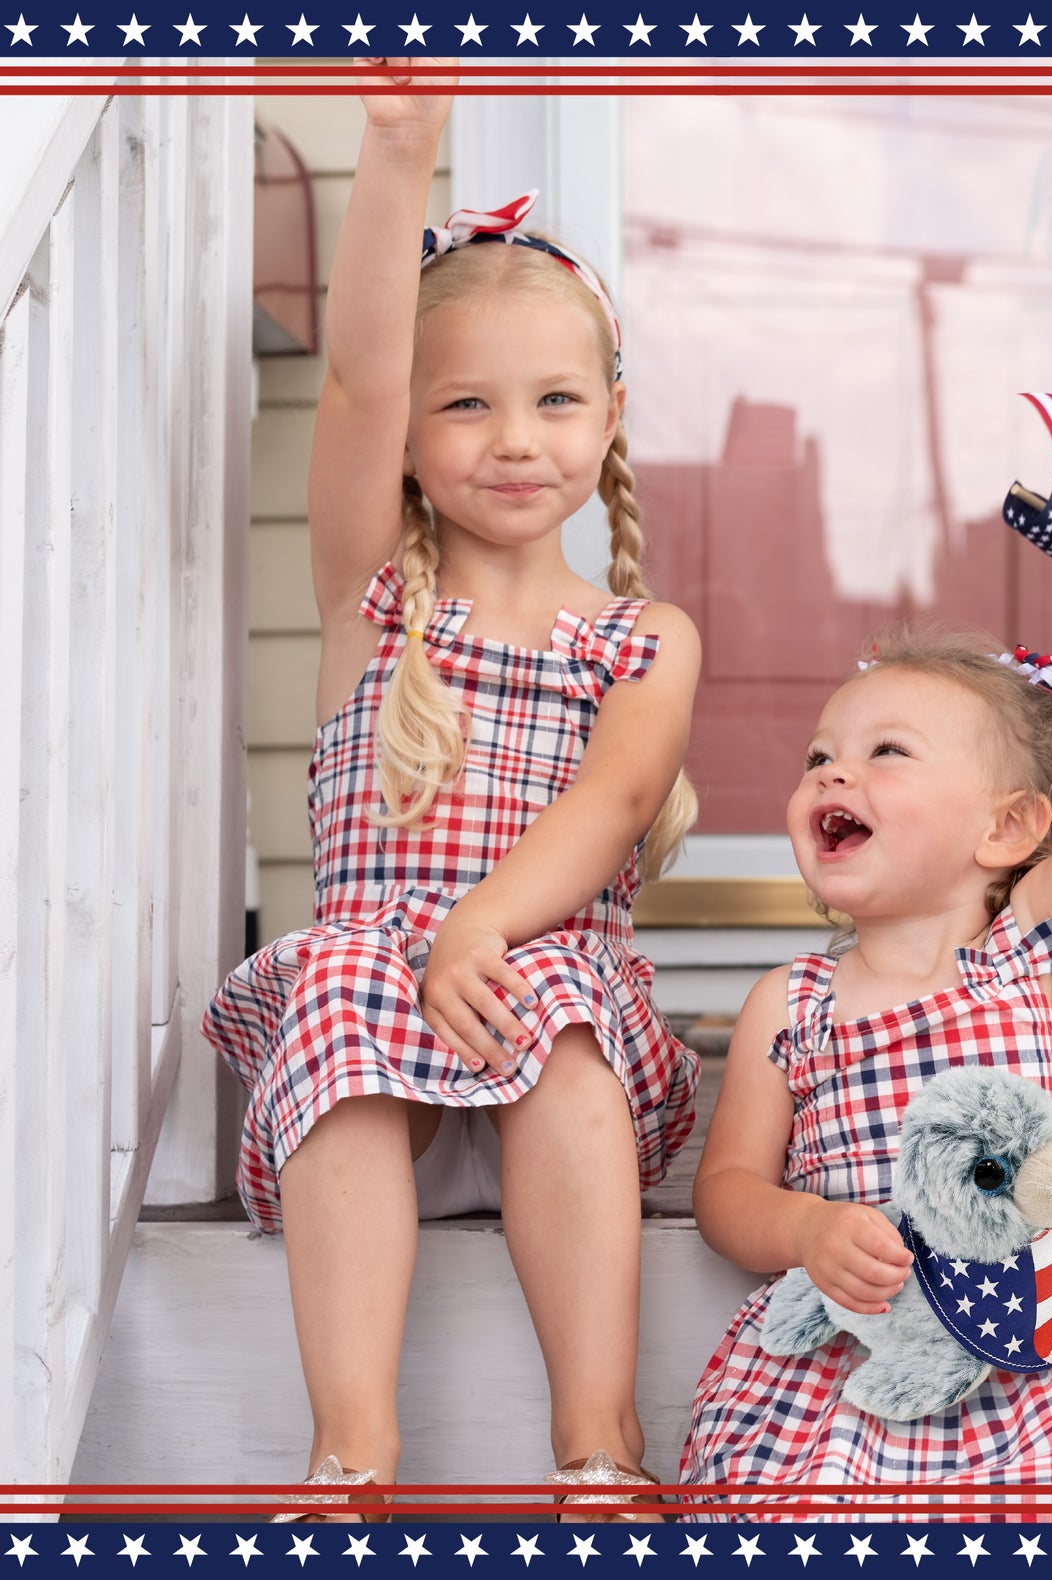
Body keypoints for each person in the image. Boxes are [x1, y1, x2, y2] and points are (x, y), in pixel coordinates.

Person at [204, 60, 700, 1523]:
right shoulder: (374, 598)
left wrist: (481, 927)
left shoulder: (641, 637)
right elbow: (357, 374)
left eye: (554, 400)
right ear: (414, 438)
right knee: (347, 976)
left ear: (610, 415)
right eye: (465, 405)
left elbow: (609, 804)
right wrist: (401, 145)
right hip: (372, 1092)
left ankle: (597, 1443)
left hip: (548, 1054)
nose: (514, 438)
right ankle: (350, 1457)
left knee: (558, 1008)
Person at [681, 559, 1052, 1521]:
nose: (831, 772)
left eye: (887, 752)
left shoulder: (1036, 955)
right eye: (818, 757)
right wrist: (806, 1230)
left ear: (1008, 827)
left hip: (1043, 1353)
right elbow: (727, 1191)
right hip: (862, 1361)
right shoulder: (791, 1003)